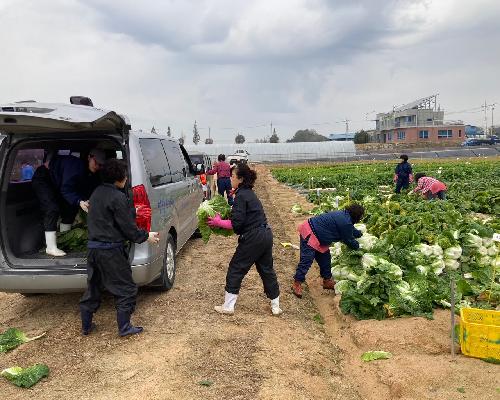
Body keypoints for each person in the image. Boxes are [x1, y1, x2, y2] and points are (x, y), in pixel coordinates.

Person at [79, 159, 160, 337]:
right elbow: (128, 229)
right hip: (110, 251)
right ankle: (124, 327)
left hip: (93, 249)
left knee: (93, 287)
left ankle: (86, 326)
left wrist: (133, 211)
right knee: (126, 288)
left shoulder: (97, 192)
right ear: (121, 177)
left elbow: (108, 214)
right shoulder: (118, 196)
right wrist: (147, 236)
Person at [207, 163, 282, 316]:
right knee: (267, 270)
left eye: (232, 176)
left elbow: (237, 224)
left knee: (236, 267)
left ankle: (228, 306)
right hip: (265, 234)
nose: (230, 179)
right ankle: (276, 306)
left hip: (253, 237)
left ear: (240, 179)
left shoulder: (241, 195)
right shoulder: (248, 193)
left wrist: (218, 222)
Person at [31, 148, 105, 257]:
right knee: (52, 209)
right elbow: (66, 189)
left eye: (100, 165)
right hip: (44, 179)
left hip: (58, 183)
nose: (97, 166)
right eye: (96, 162)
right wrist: (79, 201)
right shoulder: (75, 166)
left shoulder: (93, 174)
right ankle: (51, 247)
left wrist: (88, 201)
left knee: (70, 208)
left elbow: (88, 190)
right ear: (89, 157)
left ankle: (63, 240)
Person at [292, 204, 365, 298]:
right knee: (307, 260)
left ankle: (327, 281)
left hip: (320, 237)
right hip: (311, 233)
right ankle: (297, 283)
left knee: (325, 259)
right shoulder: (345, 222)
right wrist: (359, 248)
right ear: (357, 216)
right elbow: (348, 240)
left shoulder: (344, 215)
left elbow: (350, 230)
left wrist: (359, 234)